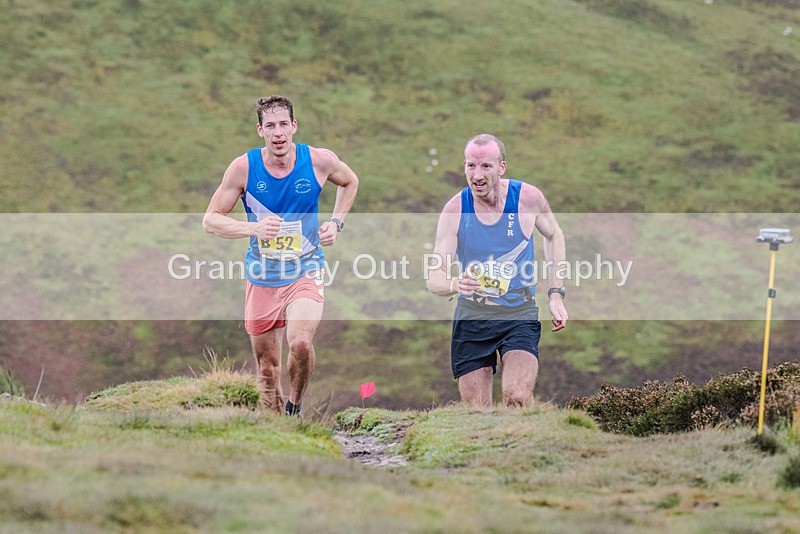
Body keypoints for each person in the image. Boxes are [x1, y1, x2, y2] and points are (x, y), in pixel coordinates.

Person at [203, 95, 358, 416]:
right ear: (260, 130)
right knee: (267, 368)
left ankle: (294, 406)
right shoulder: (243, 168)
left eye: (283, 124)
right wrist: (253, 229)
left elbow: (350, 181)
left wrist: (336, 222)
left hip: (306, 267)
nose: (278, 133)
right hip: (263, 274)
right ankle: (275, 424)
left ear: (294, 127)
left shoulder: (318, 160)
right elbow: (211, 220)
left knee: (300, 343)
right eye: (270, 126)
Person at [426, 134, 567, 407]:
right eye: (471, 166)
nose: (477, 175)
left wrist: (555, 294)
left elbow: (554, 235)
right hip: (472, 316)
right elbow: (434, 276)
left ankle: (521, 435)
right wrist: (455, 284)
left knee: (517, 397)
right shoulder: (455, 210)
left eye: (486, 166)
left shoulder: (527, 198)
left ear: (502, 167)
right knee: (477, 411)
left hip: (519, 313)